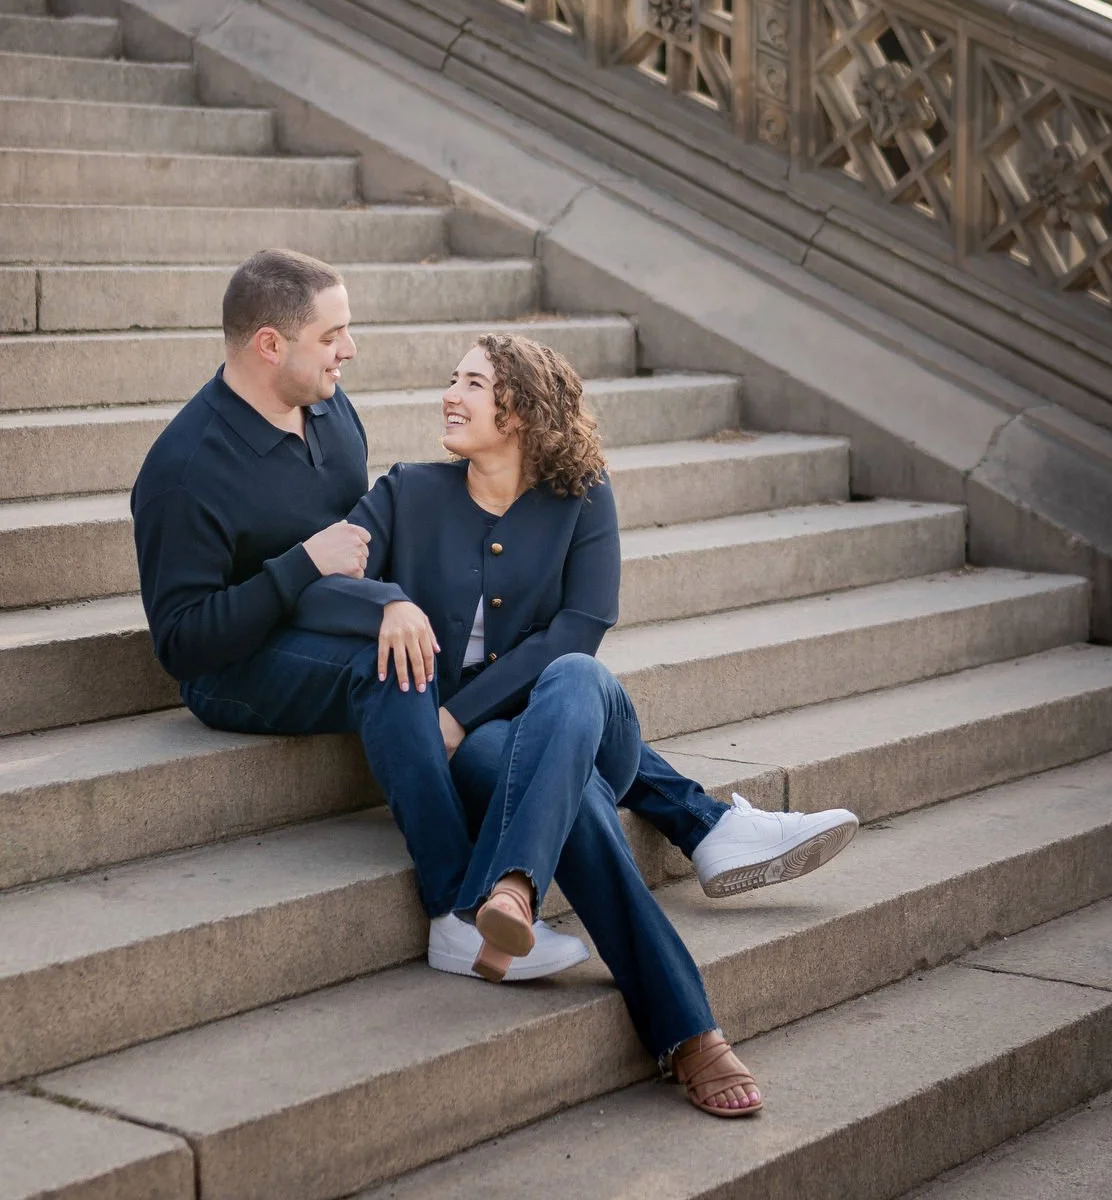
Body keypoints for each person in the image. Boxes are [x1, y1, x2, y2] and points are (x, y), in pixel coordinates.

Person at [298, 331, 777, 1114]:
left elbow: (582, 624)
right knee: (578, 806)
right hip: (500, 759)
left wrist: (453, 714)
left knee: (576, 675)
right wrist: (388, 601)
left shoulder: (584, 495)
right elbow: (316, 588)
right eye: (452, 380)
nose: (451, 395)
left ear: (520, 410)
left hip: (591, 722)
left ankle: (512, 880)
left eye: (475, 384)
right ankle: (692, 1035)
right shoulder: (407, 493)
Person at [131, 250, 590, 982]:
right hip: (234, 666)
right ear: (270, 345)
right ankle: (455, 915)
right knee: (394, 668)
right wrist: (303, 566)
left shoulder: (329, 409)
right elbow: (184, 645)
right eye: (332, 335)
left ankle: (693, 819)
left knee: (499, 658)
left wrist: (385, 597)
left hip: (325, 617)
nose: (350, 350)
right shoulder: (185, 470)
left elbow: (360, 543)